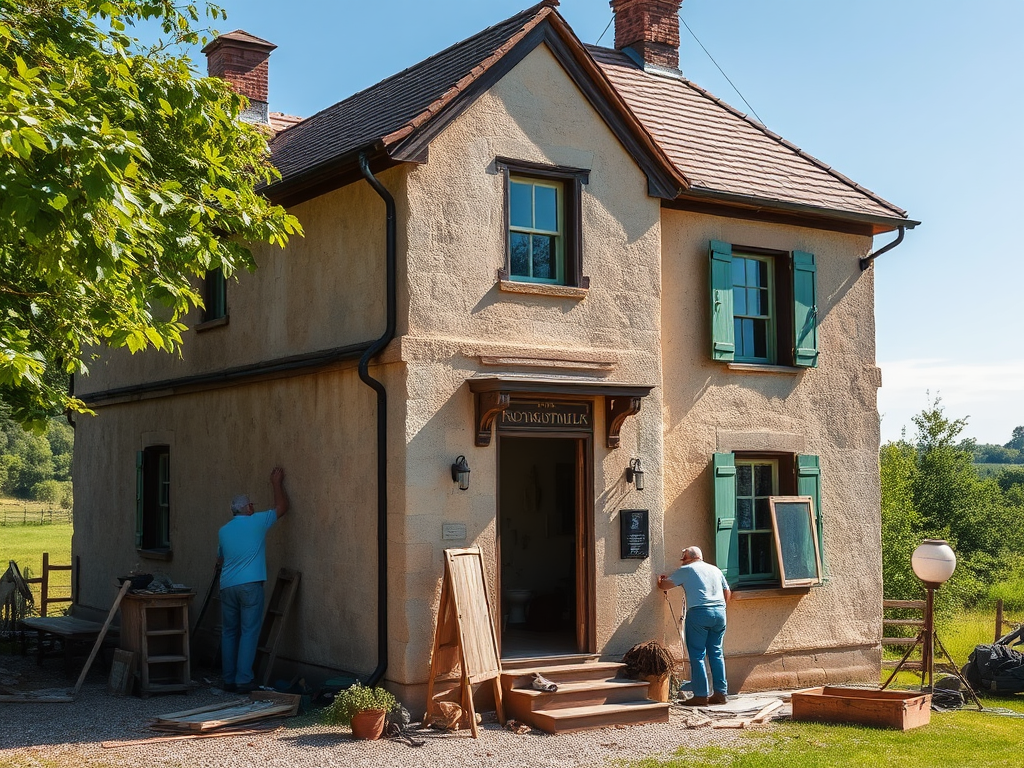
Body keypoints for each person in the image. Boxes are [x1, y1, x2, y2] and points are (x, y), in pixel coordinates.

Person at [217, 467, 289, 692]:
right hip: (250, 586)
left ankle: (228, 679)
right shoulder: (257, 521)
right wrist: (276, 483)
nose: (253, 507)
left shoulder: (223, 530)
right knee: (249, 631)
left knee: (229, 631)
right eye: (251, 504)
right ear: (247, 508)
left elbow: (219, 560)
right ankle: (243, 679)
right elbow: (282, 508)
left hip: (227, 586)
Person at [657, 545, 731, 706]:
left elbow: (665, 585)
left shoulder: (688, 569)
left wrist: (660, 580)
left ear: (688, 558)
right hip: (720, 612)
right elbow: (727, 591)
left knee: (697, 654)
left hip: (699, 613)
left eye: (682, 558)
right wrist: (722, 608)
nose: (682, 562)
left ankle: (700, 695)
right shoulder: (715, 570)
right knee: (716, 653)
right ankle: (721, 693)